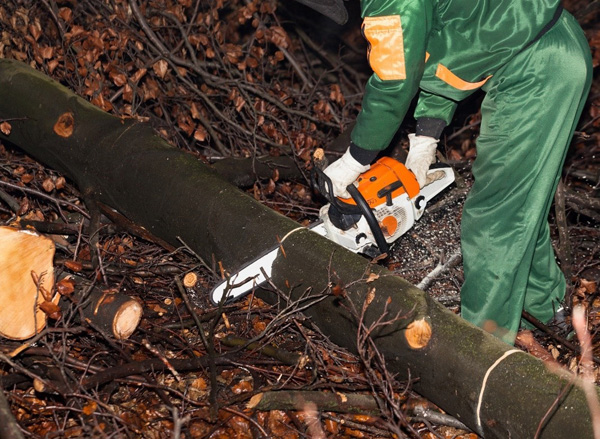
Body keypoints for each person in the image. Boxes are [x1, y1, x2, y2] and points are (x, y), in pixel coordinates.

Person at [293, 0, 592, 344]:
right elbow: (450, 43)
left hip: (537, 67)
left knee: (494, 217)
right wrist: (425, 138)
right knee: (521, 198)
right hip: (545, 49)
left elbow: (395, 80)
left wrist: (356, 158)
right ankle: (546, 308)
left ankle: (481, 354)